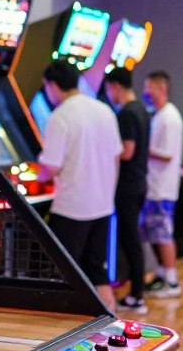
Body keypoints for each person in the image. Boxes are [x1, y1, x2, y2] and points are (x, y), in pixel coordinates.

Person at [38, 59, 123, 311]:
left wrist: (37, 177)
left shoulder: (61, 116)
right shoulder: (103, 110)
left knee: (62, 274)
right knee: (97, 271)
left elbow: (50, 166)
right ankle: (111, 324)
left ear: (53, 85)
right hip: (102, 205)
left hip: (72, 207)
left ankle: (61, 330)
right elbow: (116, 155)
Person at [105, 68, 151, 313]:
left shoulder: (127, 114)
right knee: (132, 238)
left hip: (127, 184)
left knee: (131, 239)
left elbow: (127, 151)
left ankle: (136, 294)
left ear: (115, 86)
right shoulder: (142, 110)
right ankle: (136, 292)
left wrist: (104, 151)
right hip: (139, 181)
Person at [142, 71, 183, 299]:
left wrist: (140, 148)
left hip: (161, 187)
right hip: (155, 185)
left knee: (163, 234)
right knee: (154, 234)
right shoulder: (160, 115)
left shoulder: (169, 117)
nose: (145, 92)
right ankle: (161, 274)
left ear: (162, 88)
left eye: (149, 87)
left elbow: (166, 154)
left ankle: (171, 279)